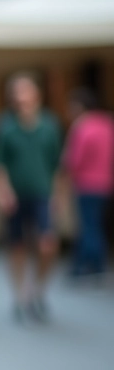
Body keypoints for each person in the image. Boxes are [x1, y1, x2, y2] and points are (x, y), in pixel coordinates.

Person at [0, 73, 66, 321]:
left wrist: (59, 196)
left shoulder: (49, 125)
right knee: (17, 247)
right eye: (16, 92)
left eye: (25, 91)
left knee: (47, 244)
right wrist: (2, 193)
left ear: (36, 94)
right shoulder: (4, 125)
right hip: (15, 197)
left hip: (42, 194)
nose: (20, 97)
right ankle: (20, 296)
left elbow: (58, 166)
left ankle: (37, 291)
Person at [63, 88, 113, 278]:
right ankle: (90, 265)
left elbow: (74, 160)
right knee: (98, 225)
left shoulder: (82, 126)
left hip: (86, 184)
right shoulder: (107, 124)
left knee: (88, 226)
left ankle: (92, 266)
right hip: (106, 183)